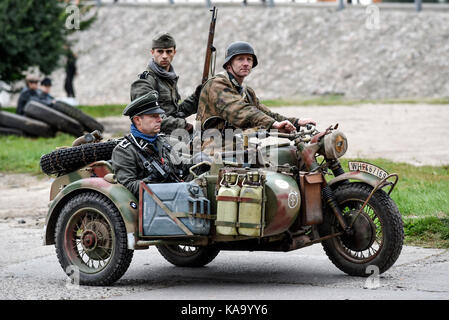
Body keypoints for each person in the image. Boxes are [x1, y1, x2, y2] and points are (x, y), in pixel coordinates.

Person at [196, 41, 316, 134]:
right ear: (228, 65)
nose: (246, 63)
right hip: (210, 148)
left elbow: (264, 113)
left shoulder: (246, 91)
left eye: (249, 59)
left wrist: (297, 122)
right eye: (240, 59)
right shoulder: (217, 84)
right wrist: (273, 125)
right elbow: (240, 110)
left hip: (236, 146)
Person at [111, 90, 185, 198]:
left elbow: (182, 169)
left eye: (159, 115)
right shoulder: (124, 151)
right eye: (154, 116)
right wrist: (152, 179)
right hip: (152, 206)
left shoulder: (165, 141)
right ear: (137, 120)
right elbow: (127, 188)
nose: (160, 119)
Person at [130, 33, 201, 135]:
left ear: (174, 52)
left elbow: (176, 113)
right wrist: (183, 126)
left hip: (169, 134)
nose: (164, 56)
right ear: (152, 52)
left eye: (168, 52)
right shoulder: (145, 81)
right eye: (160, 51)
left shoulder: (168, 79)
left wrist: (196, 98)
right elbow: (148, 116)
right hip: (153, 137)